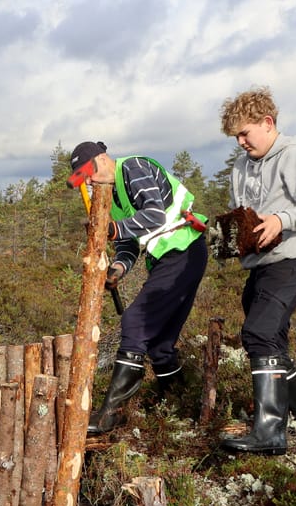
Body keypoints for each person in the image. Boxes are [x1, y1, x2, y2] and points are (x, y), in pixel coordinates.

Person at [217, 87, 296, 454]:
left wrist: (281, 220)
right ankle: (295, 417)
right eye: (235, 136)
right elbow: (243, 217)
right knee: (272, 340)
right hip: (262, 267)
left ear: (268, 123)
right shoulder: (241, 165)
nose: (240, 142)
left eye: (245, 133)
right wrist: (224, 237)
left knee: (259, 331)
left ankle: (269, 433)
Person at [67, 142, 209, 435]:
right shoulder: (113, 197)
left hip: (184, 251)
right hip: (168, 258)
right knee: (159, 344)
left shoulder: (133, 168)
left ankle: (112, 414)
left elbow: (154, 215)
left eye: (89, 172)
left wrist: (112, 229)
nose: (90, 180)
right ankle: (181, 406)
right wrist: (117, 270)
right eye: (83, 179)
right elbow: (127, 246)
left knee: (135, 322)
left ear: (103, 158)